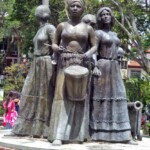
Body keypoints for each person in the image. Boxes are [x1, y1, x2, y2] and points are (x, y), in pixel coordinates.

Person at [47, 0, 97, 145]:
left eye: (78, 6)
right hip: (64, 63)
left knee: (78, 97)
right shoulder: (62, 26)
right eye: (72, 6)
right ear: (68, 8)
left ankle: (77, 135)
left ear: (83, 9)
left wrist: (88, 53)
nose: (75, 8)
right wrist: (56, 48)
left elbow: (94, 46)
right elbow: (55, 43)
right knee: (61, 97)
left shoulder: (88, 28)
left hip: (81, 63)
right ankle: (58, 134)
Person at [12, 5, 56, 137]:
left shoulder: (50, 28)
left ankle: (44, 128)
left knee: (45, 94)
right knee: (28, 93)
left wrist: (54, 62)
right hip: (36, 64)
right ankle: (28, 126)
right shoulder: (40, 29)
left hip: (45, 63)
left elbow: (56, 46)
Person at [90, 7, 131, 142]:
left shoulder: (114, 34)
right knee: (101, 99)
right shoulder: (97, 33)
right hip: (102, 67)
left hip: (115, 68)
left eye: (108, 14)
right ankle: (97, 132)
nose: (106, 16)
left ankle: (123, 134)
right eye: (103, 14)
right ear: (100, 18)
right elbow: (93, 50)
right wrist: (94, 66)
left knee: (119, 97)